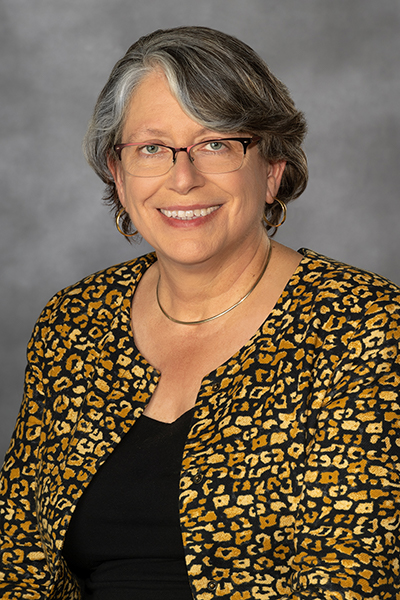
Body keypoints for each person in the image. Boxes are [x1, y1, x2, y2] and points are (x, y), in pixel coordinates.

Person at [0, 25, 399, 600]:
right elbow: (20, 558)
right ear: (118, 171)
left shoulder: (366, 326)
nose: (182, 179)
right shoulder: (75, 322)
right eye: (152, 148)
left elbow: (350, 579)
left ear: (272, 170)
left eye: (216, 143)